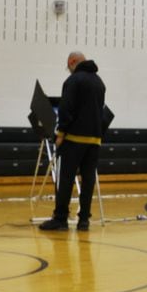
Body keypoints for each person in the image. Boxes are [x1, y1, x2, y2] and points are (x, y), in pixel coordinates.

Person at [39, 51, 106, 231]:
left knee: (66, 179)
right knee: (88, 179)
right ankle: (84, 220)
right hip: (94, 140)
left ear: (72, 62)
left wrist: (61, 134)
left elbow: (66, 109)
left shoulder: (73, 81)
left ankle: (60, 219)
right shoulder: (99, 82)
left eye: (68, 66)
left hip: (74, 139)